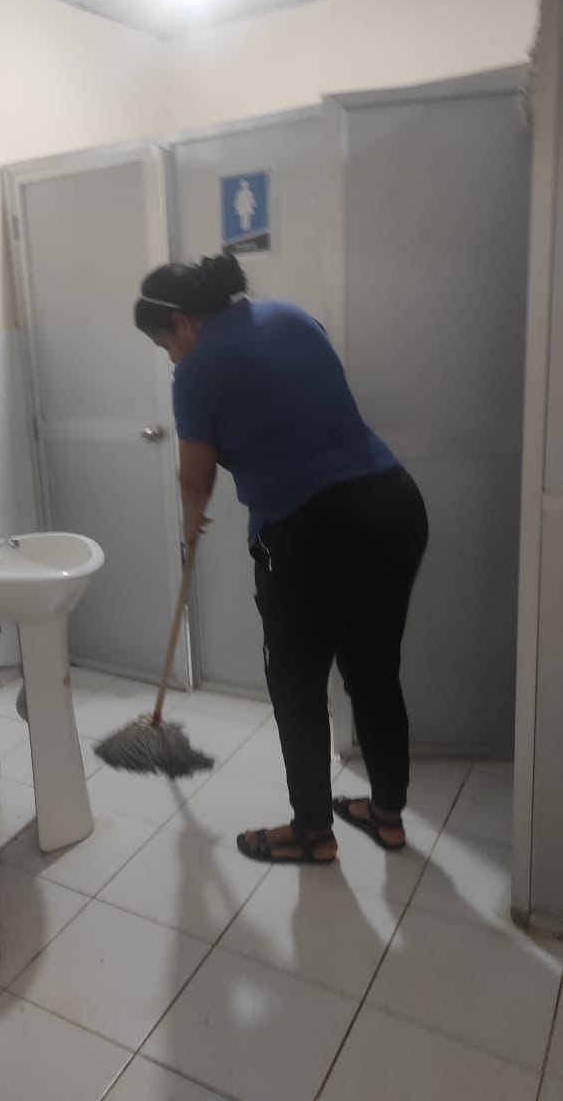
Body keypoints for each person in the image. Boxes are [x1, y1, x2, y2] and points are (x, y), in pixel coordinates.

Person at [134, 255, 429, 865]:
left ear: (183, 324)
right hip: (393, 505)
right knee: (374, 672)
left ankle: (313, 834)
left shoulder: (197, 372)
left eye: (165, 345)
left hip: (311, 533)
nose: (171, 358)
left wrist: (190, 523)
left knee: (296, 686)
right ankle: (388, 815)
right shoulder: (293, 317)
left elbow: (195, 476)